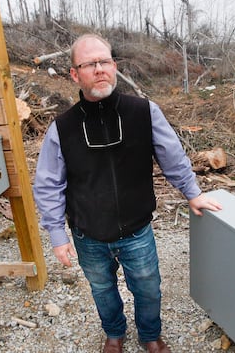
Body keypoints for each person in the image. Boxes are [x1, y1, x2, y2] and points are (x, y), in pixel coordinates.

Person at [33, 34, 222, 353]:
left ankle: (150, 335)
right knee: (102, 289)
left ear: (114, 67)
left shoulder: (144, 112)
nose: (99, 69)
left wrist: (193, 193)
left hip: (137, 230)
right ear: (75, 74)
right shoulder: (61, 128)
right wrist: (56, 234)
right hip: (88, 234)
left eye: (104, 61)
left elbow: (172, 156)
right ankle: (114, 334)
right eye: (89, 64)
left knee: (148, 289)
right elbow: (49, 184)